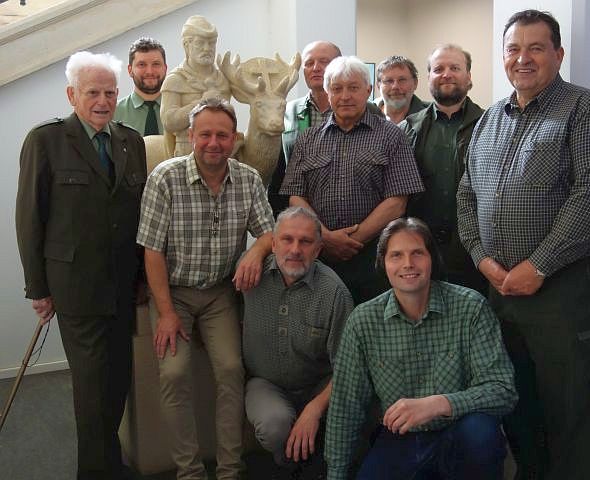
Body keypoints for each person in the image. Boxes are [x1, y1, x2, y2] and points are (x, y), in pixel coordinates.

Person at [457, 9, 590, 480]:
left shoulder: (586, 110)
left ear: (558, 54)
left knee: (570, 412)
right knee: (518, 406)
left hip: (564, 290)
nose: (523, 58)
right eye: (513, 49)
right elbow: (466, 195)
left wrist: (539, 266)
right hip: (501, 290)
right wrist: (482, 259)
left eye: (536, 48)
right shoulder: (490, 120)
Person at [15, 51, 147, 480]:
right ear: (72, 95)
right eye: (92, 92)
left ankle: (109, 463)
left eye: (109, 92)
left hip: (122, 285)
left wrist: (144, 278)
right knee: (91, 389)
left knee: (117, 382)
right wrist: (38, 288)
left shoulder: (131, 142)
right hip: (74, 286)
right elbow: (29, 218)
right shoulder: (46, 140)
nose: (102, 101)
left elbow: (137, 216)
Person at [137, 98, 274, 480]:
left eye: (222, 135)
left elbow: (270, 234)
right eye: (206, 134)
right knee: (174, 373)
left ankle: (230, 469)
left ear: (235, 138)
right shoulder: (164, 177)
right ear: (191, 136)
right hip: (173, 293)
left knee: (231, 369)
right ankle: (189, 471)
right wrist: (166, 313)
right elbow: (152, 252)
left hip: (219, 293)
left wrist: (255, 252)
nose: (214, 143)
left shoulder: (248, 179)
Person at [325, 217, 517, 480]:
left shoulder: (471, 308)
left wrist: (440, 403)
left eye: (417, 253)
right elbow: (346, 405)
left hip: (459, 434)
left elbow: (503, 390)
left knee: (481, 431)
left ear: (432, 259)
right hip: (400, 440)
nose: (408, 263)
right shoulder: (363, 321)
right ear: (383, 263)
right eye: (396, 255)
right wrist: (336, 475)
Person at [280, 56, 423, 305]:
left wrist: (352, 242)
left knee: (371, 322)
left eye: (353, 88)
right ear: (328, 93)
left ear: (368, 90)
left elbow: (398, 201)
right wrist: (325, 237)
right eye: (337, 88)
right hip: (319, 257)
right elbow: (295, 196)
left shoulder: (392, 136)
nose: (345, 96)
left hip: (374, 258)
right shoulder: (308, 139)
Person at [242, 206, 353, 478]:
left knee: (349, 421)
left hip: (318, 385)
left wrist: (314, 409)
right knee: (274, 427)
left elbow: (349, 367)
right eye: (287, 239)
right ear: (273, 244)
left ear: (318, 249)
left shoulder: (334, 293)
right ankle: (290, 465)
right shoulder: (250, 272)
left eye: (305, 242)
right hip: (265, 383)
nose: (295, 249)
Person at [400, 44, 485, 293]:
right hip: (420, 250)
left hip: (475, 253)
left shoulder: (490, 125)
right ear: (429, 77)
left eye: (455, 68)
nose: (446, 74)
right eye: (438, 69)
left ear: (468, 77)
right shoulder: (407, 129)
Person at [268, 41, 383, 218]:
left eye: (324, 62)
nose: (315, 68)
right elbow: (279, 168)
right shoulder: (287, 111)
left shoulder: (367, 110)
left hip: (355, 209)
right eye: (309, 63)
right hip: (297, 209)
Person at [160, 15, 231, 157]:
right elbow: (169, 121)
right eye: (200, 43)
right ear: (186, 45)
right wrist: (201, 103)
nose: (207, 48)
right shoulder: (175, 79)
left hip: (220, 153)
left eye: (211, 43)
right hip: (186, 152)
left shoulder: (222, 80)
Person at [114, 37, 167, 136]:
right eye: (142, 65)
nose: (150, 71)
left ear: (165, 68)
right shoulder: (113, 114)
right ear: (130, 70)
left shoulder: (180, 110)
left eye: (156, 64)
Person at [374, 55, 427, 124]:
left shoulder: (431, 116)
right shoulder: (365, 114)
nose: (395, 86)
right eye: (389, 81)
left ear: (415, 83)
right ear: (378, 85)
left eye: (402, 80)